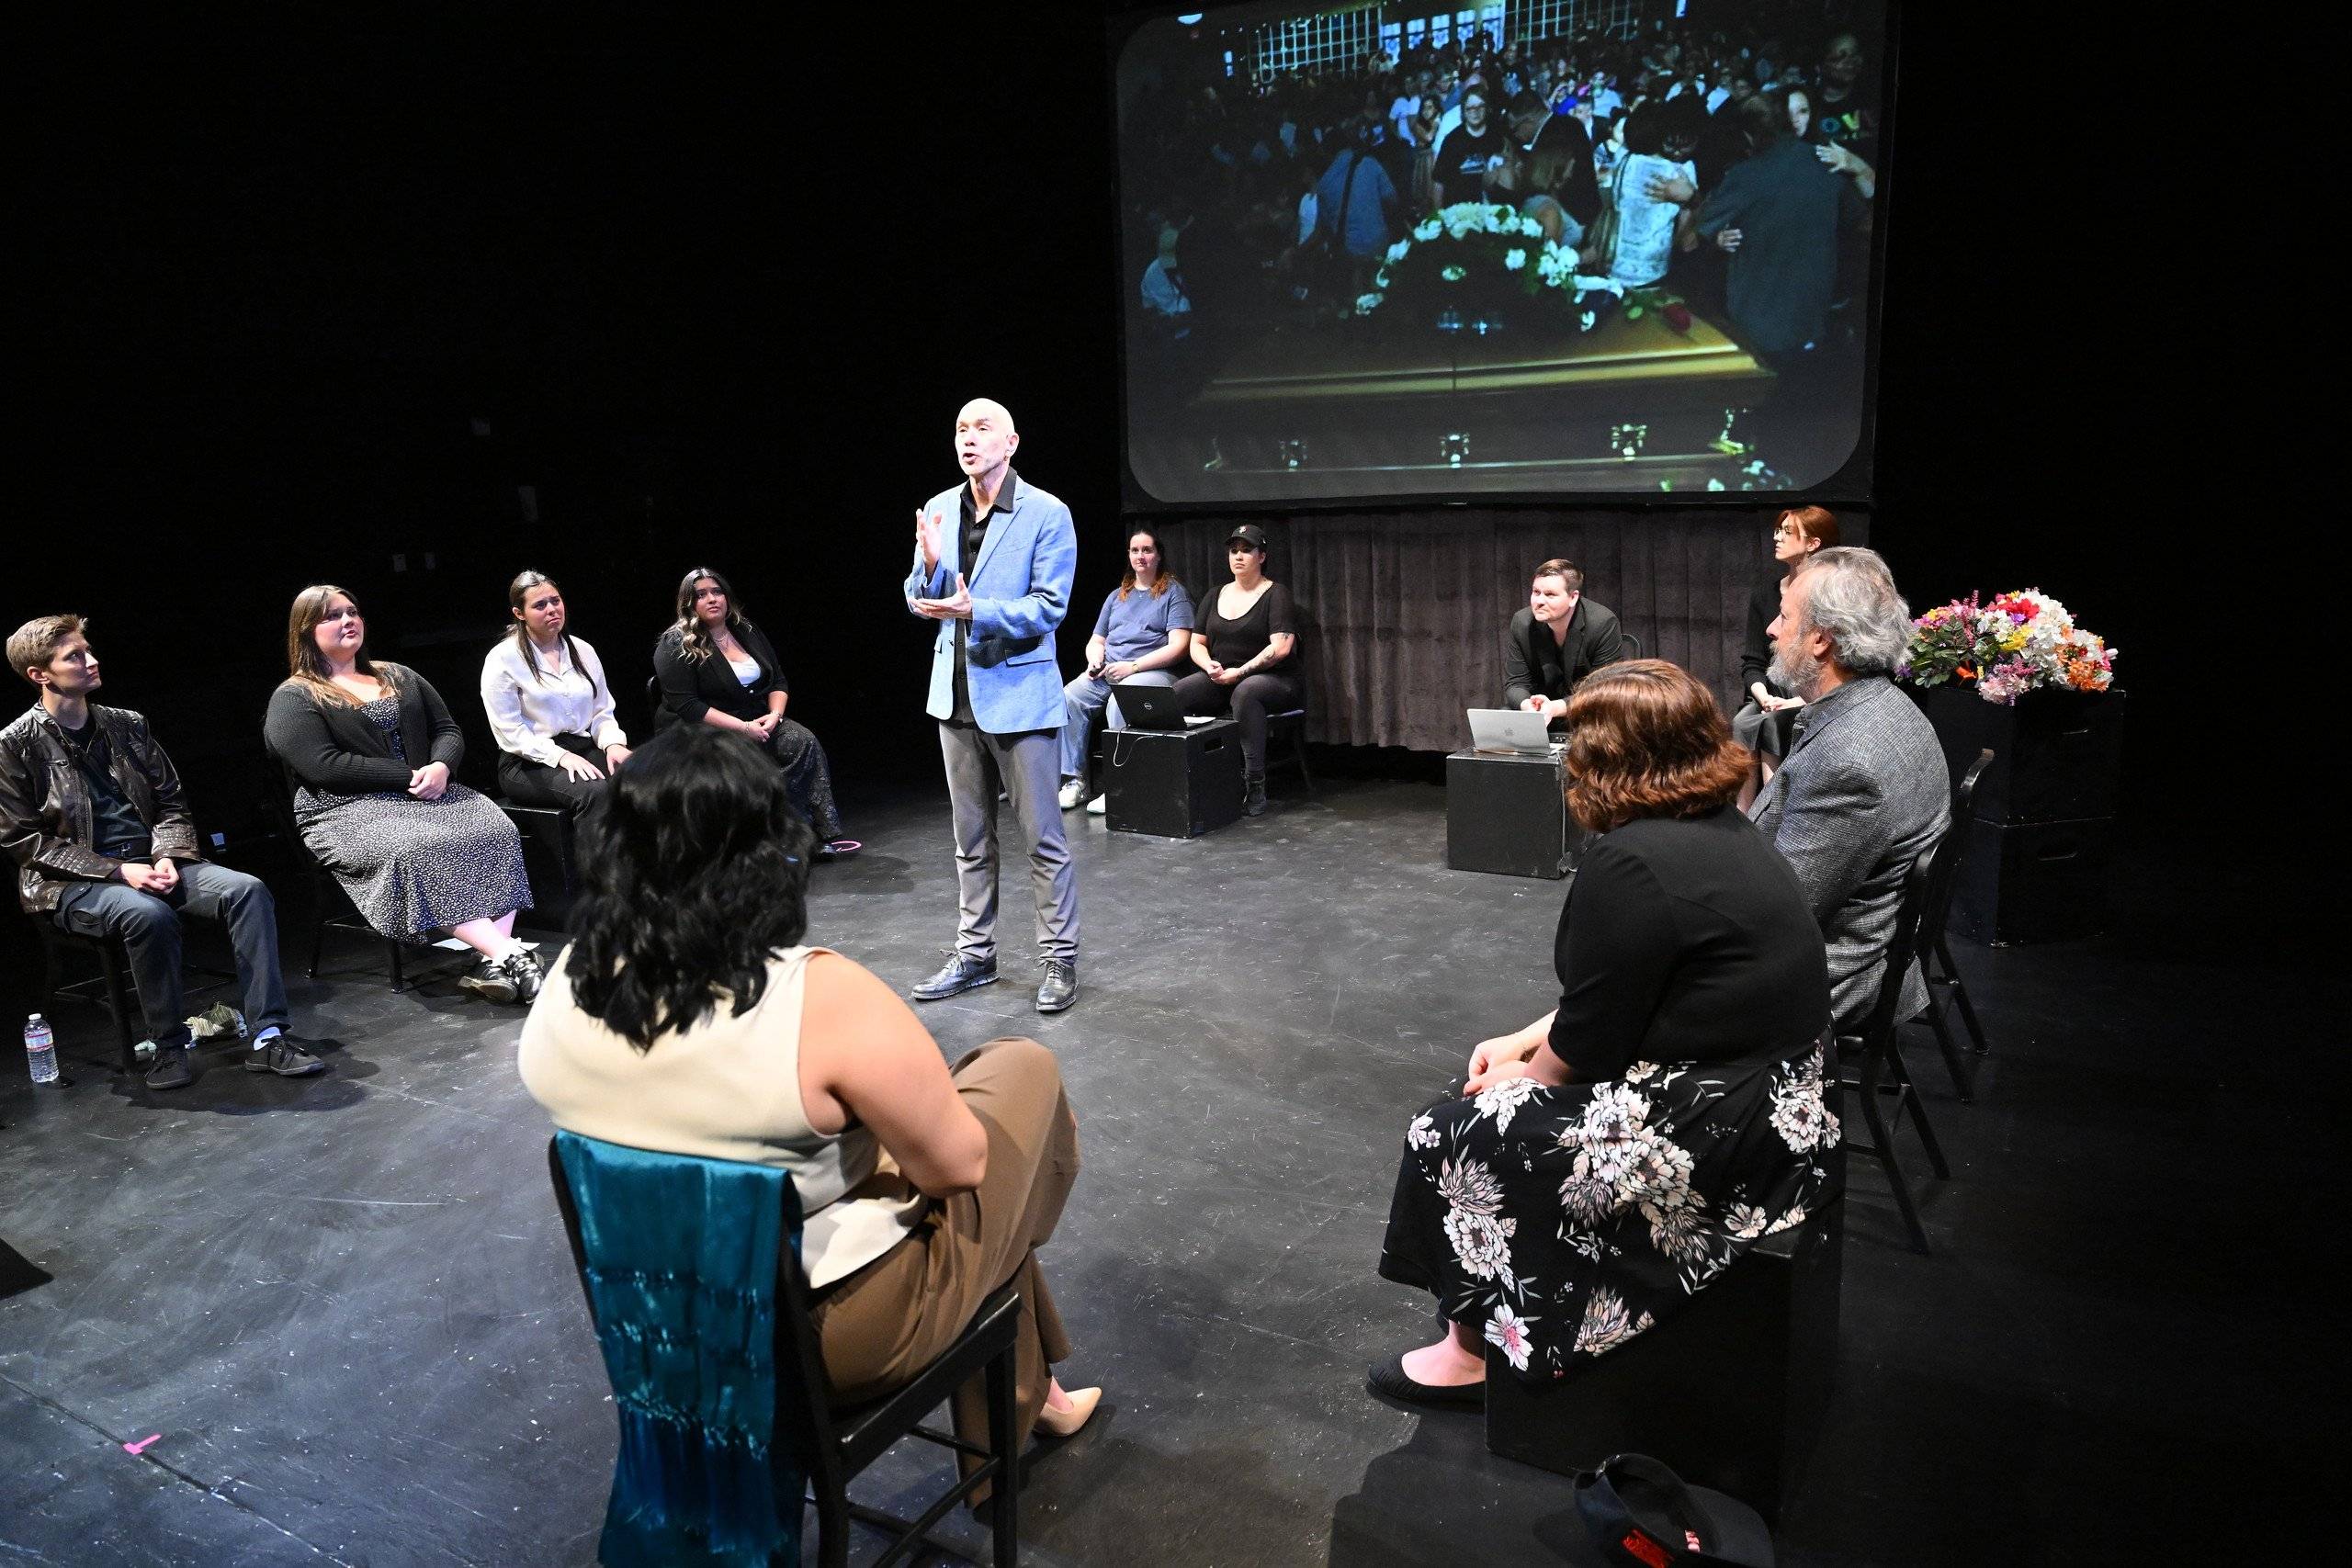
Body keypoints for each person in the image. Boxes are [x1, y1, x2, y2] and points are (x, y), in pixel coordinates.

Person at [518, 724, 1098, 1505]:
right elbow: (957, 1167)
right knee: (1015, 1082)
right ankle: (1014, 1419)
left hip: (661, 1318)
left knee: (915, 1168)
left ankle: (1041, 1397)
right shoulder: (812, 997)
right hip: (819, 1332)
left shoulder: (563, 984)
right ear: (765, 854)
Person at [1372, 660, 1837, 1403]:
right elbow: (1631, 989)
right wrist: (1524, 1036)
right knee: (1489, 1099)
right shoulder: (1720, 830)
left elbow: (1585, 1048)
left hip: (1721, 1131)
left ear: (1609, 757)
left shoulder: (1633, 861)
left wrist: (1522, 1074)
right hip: (1781, 1103)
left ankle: (1475, 1348)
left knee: (1449, 1127)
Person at [4, 615, 326, 1089]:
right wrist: (119, 872)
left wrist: (168, 854)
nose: (91, 661)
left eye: (88, 650)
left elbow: (170, 801)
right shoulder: (16, 745)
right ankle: (170, 1047)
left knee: (247, 891)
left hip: (155, 861)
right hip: (73, 884)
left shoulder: (127, 725)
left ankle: (269, 1035)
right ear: (40, 674)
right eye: (75, 656)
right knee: (147, 915)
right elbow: (26, 841)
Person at [262, 585, 540, 1005]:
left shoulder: (398, 675)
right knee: (419, 847)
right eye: (332, 616)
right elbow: (323, 766)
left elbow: (447, 729)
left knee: (494, 828)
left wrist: (442, 766)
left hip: (426, 792)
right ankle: (509, 953)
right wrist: (407, 774)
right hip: (345, 809)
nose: (347, 621)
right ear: (305, 631)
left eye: (352, 612)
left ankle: (492, 961)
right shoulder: (295, 696)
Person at [904, 399, 1081, 1014]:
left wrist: (974, 609)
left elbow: (1048, 606)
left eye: (982, 428)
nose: (968, 439)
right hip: (953, 696)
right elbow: (918, 597)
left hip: (1020, 700)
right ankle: (975, 954)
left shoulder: (1047, 513)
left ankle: (1060, 958)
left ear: (1012, 441)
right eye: (960, 429)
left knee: (1043, 839)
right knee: (970, 838)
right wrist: (928, 570)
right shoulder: (939, 509)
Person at [1749, 547, 1949, 1029]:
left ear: (1821, 638)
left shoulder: (1849, 760)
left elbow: (1777, 915)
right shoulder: (1887, 706)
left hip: (1827, 980)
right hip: (1846, 947)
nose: (1772, 630)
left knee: (1638, 974)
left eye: (1784, 616)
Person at [654, 568, 854, 856]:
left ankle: (803, 834)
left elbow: (777, 680)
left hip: (757, 717)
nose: (712, 599)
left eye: (717, 591)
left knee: (801, 742)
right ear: (688, 602)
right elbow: (689, 706)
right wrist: (743, 728)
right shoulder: (675, 644)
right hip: (702, 729)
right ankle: (764, 843)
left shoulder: (745, 630)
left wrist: (775, 716)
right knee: (745, 759)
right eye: (701, 595)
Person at [1693, 92, 1865, 361]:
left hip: (1758, 325)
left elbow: (1698, 229)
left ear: (1748, 136)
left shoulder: (1744, 174)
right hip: (1812, 320)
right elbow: (1859, 220)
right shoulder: (1827, 161)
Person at [1170, 524, 1302, 818]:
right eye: (1234, 550)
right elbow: (1197, 644)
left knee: (1245, 693)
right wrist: (1209, 666)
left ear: (1262, 556)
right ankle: (1179, 778)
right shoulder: (1215, 595)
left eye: (1247, 550)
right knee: (1176, 694)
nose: (1238, 556)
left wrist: (1239, 672)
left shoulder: (1275, 594)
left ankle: (1254, 783)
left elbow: (1281, 648)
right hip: (1223, 678)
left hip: (1275, 681)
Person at [1059, 527, 1194, 814]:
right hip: (1112, 670)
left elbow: (1180, 646)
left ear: (1158, 556)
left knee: (1120, 699)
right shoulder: (1118, 596)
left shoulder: (1173, 594)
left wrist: (1133, 666)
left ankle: (1121, 785)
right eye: (1135, 550)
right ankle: (1076, 780)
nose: (1140, 556)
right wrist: (1095, 660)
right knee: (1070, 696)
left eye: (1147, 550)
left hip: (1153, 671)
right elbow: (1097, 640)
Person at [480, 570, 631, 818]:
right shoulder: (503, 659)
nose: (552, 609)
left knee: (640, 778)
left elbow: (602, 710)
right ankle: (595, 857)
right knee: (594, 792)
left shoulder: (583, 650)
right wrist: (560, 756)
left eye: (555, 601)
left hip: (582, 745)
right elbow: (511, 732)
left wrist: (613, 743)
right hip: (528, 761)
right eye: (540, 605)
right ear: (520, 614)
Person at [1733, 507, 1838, 809]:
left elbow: (1834, 666)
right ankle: (1744, 814)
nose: (1777, 537)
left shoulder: (1829, 596)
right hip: (1772, 691)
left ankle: (1773, 810)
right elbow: (1752, 662)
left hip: (1812, 693)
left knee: (1772, 722)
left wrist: (1795, 702)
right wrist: (1764, 695)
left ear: (1813, 543)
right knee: (1745, 720)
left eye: (1787, 532)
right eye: (1778, 530)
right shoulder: (1765, 595)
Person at [1501, 558, 1624, 734]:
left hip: (1588, 712)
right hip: (1541, 711)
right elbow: (1516, 683)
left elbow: (1605, 690)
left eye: (1550, 594)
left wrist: (1555, 708)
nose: (1539, 601)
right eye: (1536, 592)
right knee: (1504, 717)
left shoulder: (1602, 622)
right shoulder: (1522, 622)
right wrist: (1528, 706)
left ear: (1573, 597)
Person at [1431, 86, 1504, 208]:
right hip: (1459, 210)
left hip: (1492, 209)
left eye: (1480, 106)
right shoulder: (1452, 140)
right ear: (1463, 111)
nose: (1475, 111)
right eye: (1470, 108)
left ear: (1487, 108)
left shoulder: (1497, 136)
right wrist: (1438, 215)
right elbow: (1439, 182)